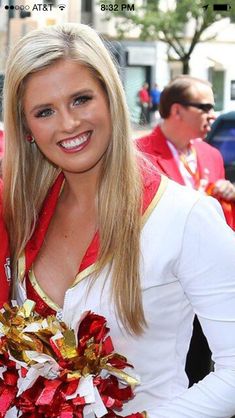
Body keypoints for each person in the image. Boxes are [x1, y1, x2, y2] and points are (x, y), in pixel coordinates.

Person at [2, 23, 235, 418]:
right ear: (26, 129)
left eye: (80, 100)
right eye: (45, 111)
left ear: (111, 97)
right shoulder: (19, 213)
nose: (68, 124)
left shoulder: (187, 217)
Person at [136, 75, 235, 387]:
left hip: (207, 284)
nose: (212, 114)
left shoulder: (211, 155)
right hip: (162, 286)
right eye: (204, 106)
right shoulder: (137, 155)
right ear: (176, 110)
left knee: (210, 366)